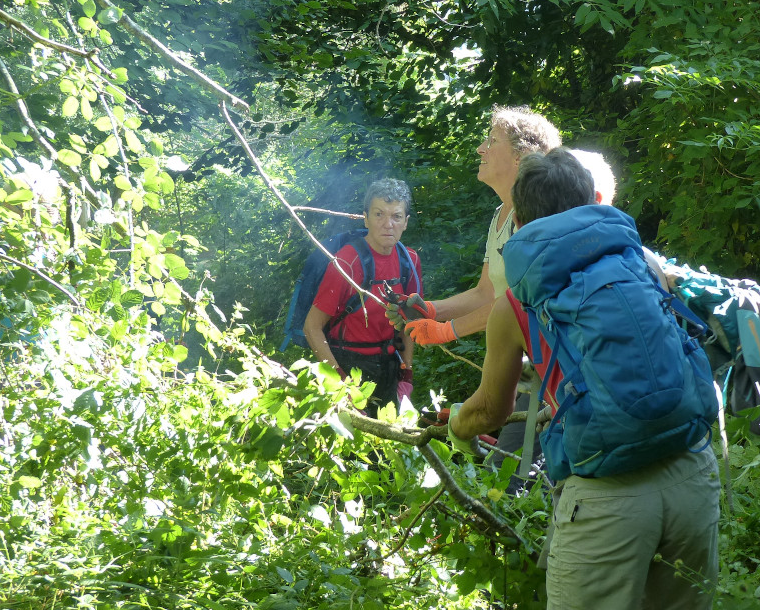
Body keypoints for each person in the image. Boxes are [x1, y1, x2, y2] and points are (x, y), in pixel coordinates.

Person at [448, 148, 720, 610]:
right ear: (591, 201)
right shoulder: (643, 263)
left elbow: (491, 410)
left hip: (606, 495)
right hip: (691, 470)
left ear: (520, 219)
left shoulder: (515, 305)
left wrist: (458, 427)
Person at [391, 106, 561, 346]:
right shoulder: (501, 213)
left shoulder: (538, 213)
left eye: (493, 141)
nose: (480, 148)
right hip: (528, 351)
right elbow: (486, 293)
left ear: (521, 156)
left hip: (558, 352)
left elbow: (521, 301)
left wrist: (445, 331)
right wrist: (431, 310)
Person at [304, 178, 422, 417]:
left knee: (389, 437)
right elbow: (312, 327)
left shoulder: (409, 261)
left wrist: (406, 373)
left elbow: (409, 321)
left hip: (390, 365)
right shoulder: (347, 262)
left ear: (406, 222)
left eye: (396, 216)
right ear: (365, 218)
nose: (388, 224)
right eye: (379, 214)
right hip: (346, 364)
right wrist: (339, 382)